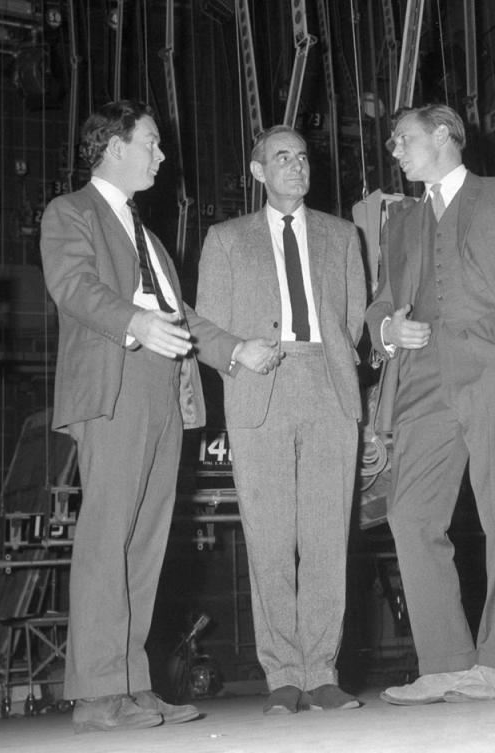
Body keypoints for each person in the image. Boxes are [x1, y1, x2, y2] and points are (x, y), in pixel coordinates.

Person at [40, 100, 277, 732]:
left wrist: (233, 351)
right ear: (114, 146)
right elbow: (74, 287)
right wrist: (136, 322)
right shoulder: (71, 213)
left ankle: (131, 685)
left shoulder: (146, 236)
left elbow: (182, 318)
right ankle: (95, 694)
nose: (162, 154)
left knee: (145, 543)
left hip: (165, 392)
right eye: (151, 142)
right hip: (115, 384)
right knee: (107, 537)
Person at [365, 104, 495, 705]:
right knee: (410, 514)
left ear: (444, 136)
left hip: (493, 367)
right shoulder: (399, 220)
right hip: (421, 377)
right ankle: (447, 661)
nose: (395, 152)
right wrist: (387, 331)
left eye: (403, 140)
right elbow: (380, 303)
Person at [196, 125, 366, 715]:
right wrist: (241, 348)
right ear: (258, 170)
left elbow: (353, 321)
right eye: (281, 158)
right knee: (269, 541)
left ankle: (321, 671)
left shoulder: (344, 236)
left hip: (327, 385)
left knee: (325, 538)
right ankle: (282, 677)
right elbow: (209, 329)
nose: (295, 166)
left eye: (301, 157)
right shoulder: (225, 239)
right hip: (259, 389)